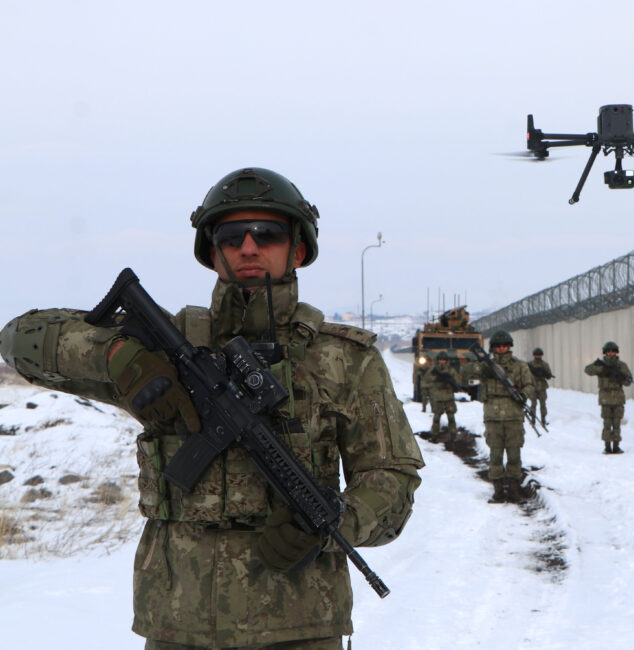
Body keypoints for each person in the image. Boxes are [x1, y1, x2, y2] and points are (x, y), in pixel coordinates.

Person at [0, 167, 425, 648]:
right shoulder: (166, 347)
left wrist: (334, 524)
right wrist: (115, 356)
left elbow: (393, 482)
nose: (248, 247)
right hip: (179, 625)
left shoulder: (345, 360)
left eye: (268, 233)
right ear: (211, 251)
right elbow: (19, 339)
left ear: (298, 248)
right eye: (231, 235)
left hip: (301, 625)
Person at [471, 330, 534, 503]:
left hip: (514, 416)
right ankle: (498, 492)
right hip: (493, 416)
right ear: (493, 348)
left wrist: (523, 395)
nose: (501, 349)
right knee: (495, 455)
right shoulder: (487, 365)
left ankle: (513, 491)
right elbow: (470, 371)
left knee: (514, 455)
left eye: (504, 345)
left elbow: (529, 385)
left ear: (510, 347)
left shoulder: (520, 366)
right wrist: (484, 364)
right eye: (498, 346)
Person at [584, 341, 633, 454]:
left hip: (618, 397)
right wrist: (602, 370)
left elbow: (628, 381)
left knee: (616, 423)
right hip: (605, 397)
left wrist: (620, 378)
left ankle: (616, 446)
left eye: (613, 351)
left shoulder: (621, 366)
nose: (611, 353)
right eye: (609, 351)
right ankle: (607, 446)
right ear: (605, 352)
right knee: (607, 423)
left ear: (616, 352)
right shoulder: (600, 364)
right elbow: (587, 370)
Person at [422, 350, 460, 444]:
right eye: (440, 360)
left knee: (451, 417)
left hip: (448, 397)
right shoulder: (433, 369)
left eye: (444, 360)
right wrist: (436, 379)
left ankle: (453, 435)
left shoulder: (451, 370)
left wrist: (450, 383)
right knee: (436, 418)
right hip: (437, 398)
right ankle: (434, 435)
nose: (442, 361)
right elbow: (426, 380)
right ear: (438, 360)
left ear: (446, 361)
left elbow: (457, 383)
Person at [527, 347, 554, 426]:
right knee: (533, 404)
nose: (538, 356)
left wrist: (546, 374)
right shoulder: (530, 364)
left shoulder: (544, 365)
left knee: (542, 405)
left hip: (541, 387)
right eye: (537, 355)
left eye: (539, 355)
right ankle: (533, 420)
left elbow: (548, 376)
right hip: (534, 386)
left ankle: (543, 419)